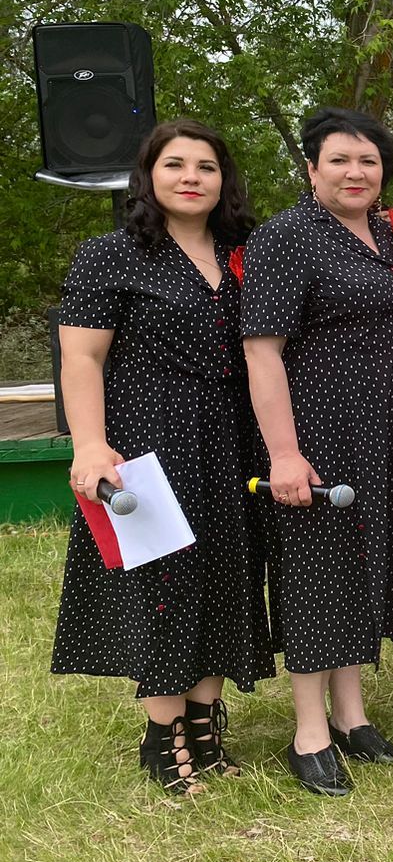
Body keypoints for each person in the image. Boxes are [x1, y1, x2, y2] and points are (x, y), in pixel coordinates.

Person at [52, 120, 273, 795]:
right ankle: (163, 734)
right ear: (148, 175)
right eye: (175, 164)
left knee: (225, 573)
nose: (191, 177)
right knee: (165, 584)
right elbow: (81, 358)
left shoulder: (247, 251)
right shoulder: (111, 255)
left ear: (222, 180)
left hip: (231, 438)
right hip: (148, 441)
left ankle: (205, 722)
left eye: (206, 166)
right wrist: (90, 444)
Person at [242, 107, 393, 796]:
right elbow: (262, 351)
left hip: (381, 432)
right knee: (316, 571)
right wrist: (284, 453)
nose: (356, 171)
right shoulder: (287, 237)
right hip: (316, 429)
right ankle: (309, 731)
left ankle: (351, 715)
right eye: (340, 160)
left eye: (369, 161)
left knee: (356, 565)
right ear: (311, 169)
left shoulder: (385, 234)